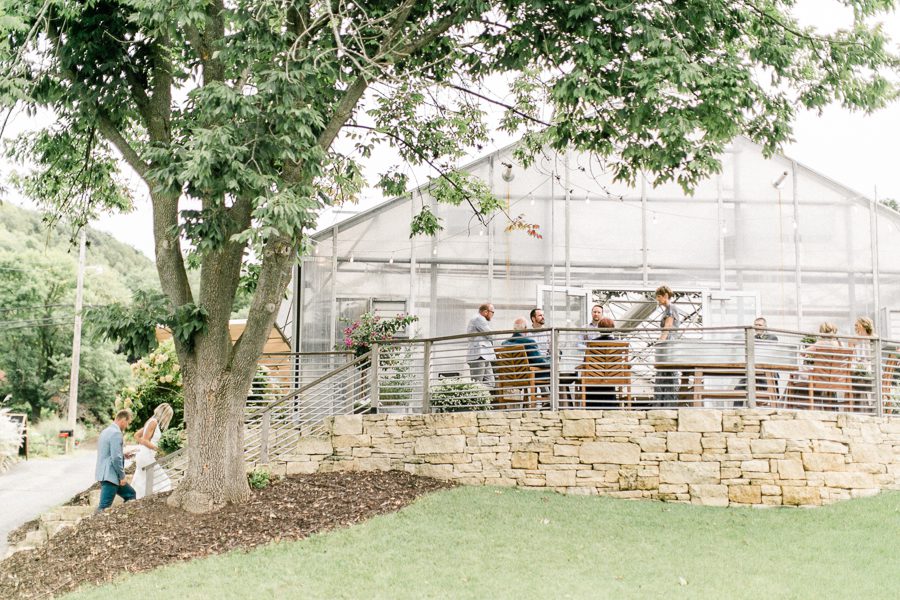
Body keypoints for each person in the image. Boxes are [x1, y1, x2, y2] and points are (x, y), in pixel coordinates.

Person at [95, 409, 136, 512]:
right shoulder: (116, 433)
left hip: (105, 473)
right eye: (127, 423)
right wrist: (122, 476)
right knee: (103, 507)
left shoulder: (106, 431)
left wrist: (123, 455)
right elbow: (115, 458)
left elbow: (109, 453)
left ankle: (123, 520)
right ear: (123, 420)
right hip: (111, 475)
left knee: (131, 494)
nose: (127, 426)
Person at [132, 403, 174, 499]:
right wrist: (157, 449)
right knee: (164, 480)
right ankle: (148, 500)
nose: (167, 419)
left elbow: (137, 435)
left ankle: (139, 499)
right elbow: (145, 440)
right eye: (168, 416)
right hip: (146, 456)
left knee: (142, 480)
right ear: (164, 414)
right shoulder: (153, 422)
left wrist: (145, 447)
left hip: (145, 454)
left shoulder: (151, 421)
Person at [653, 286, 682, 406]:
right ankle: (663, 404)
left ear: (665, 295)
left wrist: (660, 342)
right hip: (668, 345)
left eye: (659, 297)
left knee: (669, 373)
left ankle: (669, 403)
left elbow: (667, 327)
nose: (658, 300)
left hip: (669, 345)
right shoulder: (667, 309)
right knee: (664, 374)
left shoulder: (671, 308)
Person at [581, 317, 618, 407]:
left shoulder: (592, 343)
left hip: (594, 379)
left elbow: (586, 361)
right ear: (612, 329)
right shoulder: (617, 344)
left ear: (598, 328)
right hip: (611, 378)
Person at [850, 317, 876, 407]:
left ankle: (870, 404)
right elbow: (851, 355)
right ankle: (855, 403)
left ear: (863, 325)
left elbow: (875, 357)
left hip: (871, 365)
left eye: (857, 325)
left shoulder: (874, 338)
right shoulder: (854, 339)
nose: (855, 327)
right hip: (858, 365)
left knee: (868, 370)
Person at [467, 303, 495, 385]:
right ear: (486, 312)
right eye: (492, 312)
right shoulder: (479, 318)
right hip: (478, 355)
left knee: (490, 383)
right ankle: (476, 396)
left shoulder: (479, 319)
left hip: (484, 356)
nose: (492, 315)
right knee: (477, 384)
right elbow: (490, 334)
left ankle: (482, 396)